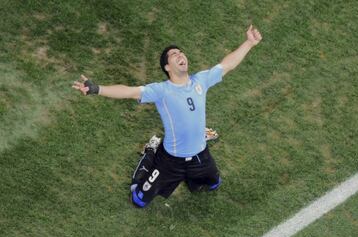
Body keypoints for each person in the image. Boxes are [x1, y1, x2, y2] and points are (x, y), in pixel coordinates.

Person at [72, 25, 262, 208]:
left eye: (181, 52)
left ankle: (197, 155)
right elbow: (128, 92)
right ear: (167, 67)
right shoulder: (161, 90)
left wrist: (249, 43)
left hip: (200, 155)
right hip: (170, 161)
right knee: (138, 200)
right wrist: (97, 89)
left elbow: (227, 65)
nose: (180, 55)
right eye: (174, 55)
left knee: (214, 185)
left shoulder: (201, 80)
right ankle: (150, 152)